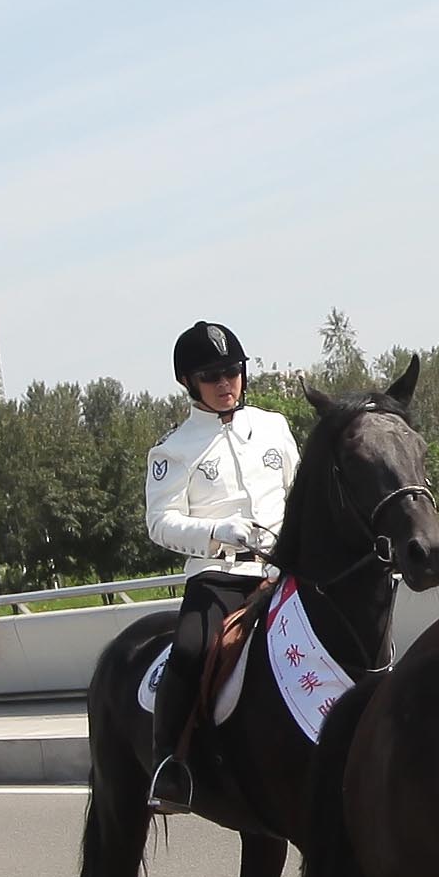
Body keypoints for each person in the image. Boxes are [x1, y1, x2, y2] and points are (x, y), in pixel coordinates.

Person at [138, 321, 296, 814]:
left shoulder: (275, 428)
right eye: (213, 376)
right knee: (189, 650)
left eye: (233, 372)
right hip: (219, 575)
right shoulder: (173, 449)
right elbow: (158, 522)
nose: (227, 384)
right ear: (189, 382)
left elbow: (301, 493)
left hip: (284, 567)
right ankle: (171, 767)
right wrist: (214, 533)